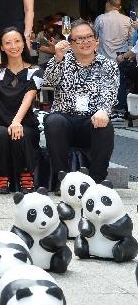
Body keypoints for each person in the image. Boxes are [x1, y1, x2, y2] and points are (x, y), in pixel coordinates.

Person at [43, 20, 117, 184]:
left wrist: (104, 110)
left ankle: (97, 182)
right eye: (79, 39)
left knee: (106, 125)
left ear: (96, 40)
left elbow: (110, 92)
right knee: (54, 120)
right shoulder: (62, 60)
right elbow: (47, 82)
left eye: (89, 37)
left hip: (90, 122)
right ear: (71, 43)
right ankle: (61, 181)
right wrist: (58, 59)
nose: (85, 42)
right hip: (64, 120)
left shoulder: (108, 65)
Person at [0, 27, 40, 194]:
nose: (13, 46)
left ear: (24, 43)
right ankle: (1, 176)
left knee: (22, 133)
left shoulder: (34, 71)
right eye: (7, 43)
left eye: (17, 41)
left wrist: (16, 122)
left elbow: (28, 98)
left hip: (24, 122)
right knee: (0, 134)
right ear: (1, 47)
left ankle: (26, 175)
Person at [94, 0, 132, 111]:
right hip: (121, 57)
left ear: (107, 4)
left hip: (104, 56)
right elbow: (131, 40)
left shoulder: (100, 18)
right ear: (119, 7)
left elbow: (94, 37)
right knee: (120, 82)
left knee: (104, 83)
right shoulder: (127, 20)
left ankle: (106, 108)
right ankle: (120, 107)